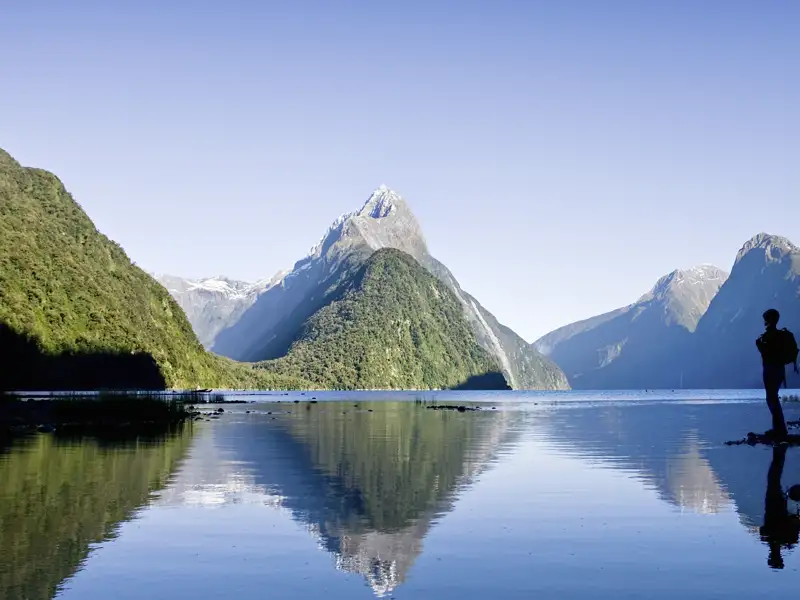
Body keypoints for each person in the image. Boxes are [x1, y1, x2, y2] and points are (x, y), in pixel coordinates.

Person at [755, 309, 798, 439]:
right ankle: (779, 428)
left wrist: (759, 343)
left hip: (770, 370)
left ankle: (780, 430)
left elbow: (764, 352)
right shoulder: (782, 335)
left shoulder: (767, 337)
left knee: (771, 398)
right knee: (773, 398)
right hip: (780, 370)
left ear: (768, 320)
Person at [760, 445, 800, 569]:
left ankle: (779, 450)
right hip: (775, 504)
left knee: (773, 478)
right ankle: (779, 450)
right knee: (773, 478)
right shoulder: (770, 538)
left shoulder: (786, 540)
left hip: (775, 504)